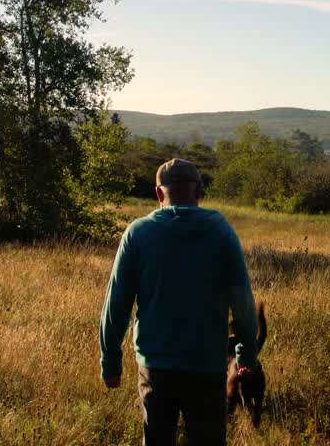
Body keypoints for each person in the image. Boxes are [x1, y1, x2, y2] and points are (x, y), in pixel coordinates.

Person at [99, 158, 259, 446]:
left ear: (159, 194)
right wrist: (245, 354)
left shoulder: (138, 233)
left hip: (155, 368)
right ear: (199, 190)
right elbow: (244, 302)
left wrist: (110, 362)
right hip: (207, 367)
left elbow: (117, 304)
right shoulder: (221, 231)